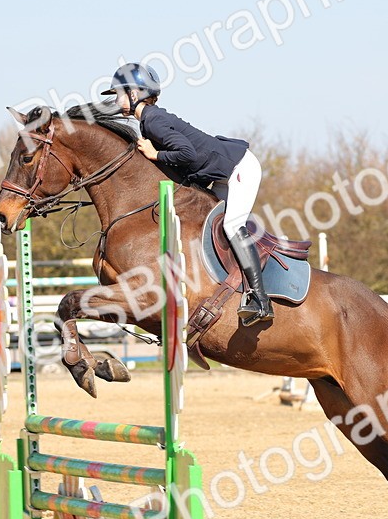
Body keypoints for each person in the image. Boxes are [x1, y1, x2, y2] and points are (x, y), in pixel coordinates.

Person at [102, 62, 273, 326]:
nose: (116, 99)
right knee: (208, 225)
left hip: (239, 168)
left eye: (119, 93)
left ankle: (260, 300)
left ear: (134, 94)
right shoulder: (148, 121)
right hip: (221, 173)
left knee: (232, 224)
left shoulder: (153, 121)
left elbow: (186, 154)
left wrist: (154, 154)